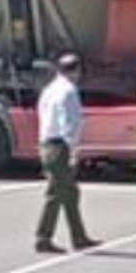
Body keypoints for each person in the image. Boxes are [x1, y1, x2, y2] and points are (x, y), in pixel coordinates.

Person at [35, 53, 99, 254]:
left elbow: (42, 114)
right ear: (76, 71)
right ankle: (43, 237)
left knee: (70, 192)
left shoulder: (49, 90)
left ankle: (79, 236)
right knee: (56, 192)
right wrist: (73, 150)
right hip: (60, 145)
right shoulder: (69, 91)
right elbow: (68, 122)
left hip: (47, 142)